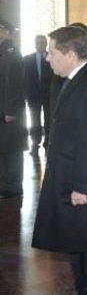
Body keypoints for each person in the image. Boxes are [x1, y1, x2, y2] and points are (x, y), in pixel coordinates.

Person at [32, 26, 87, 294]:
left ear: (69, 54)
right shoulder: (78, 78)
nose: (47, 58)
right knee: (79, 244)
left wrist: (82, 187)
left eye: (51, 52)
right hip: (75, 178)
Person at [0, 20, 26, 199]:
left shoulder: (11, 54)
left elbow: (13, 85)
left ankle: (12, 187)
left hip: (9, 112)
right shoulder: (4, 53)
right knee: (5, 148)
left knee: (11, 149)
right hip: (4, 108)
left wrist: (9, 111)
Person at [23, 34, 53, 154]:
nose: (41, 44)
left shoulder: (52, 58)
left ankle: (48, 142)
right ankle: (35, 142)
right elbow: (24, 78)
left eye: (43, 42)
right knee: (34, 118)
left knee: (49, 118)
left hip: (49, 94)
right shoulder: (27, 59)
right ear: (34, 44)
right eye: (38, 42)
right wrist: (25, 93)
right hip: (33, 94)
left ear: (46, 44)